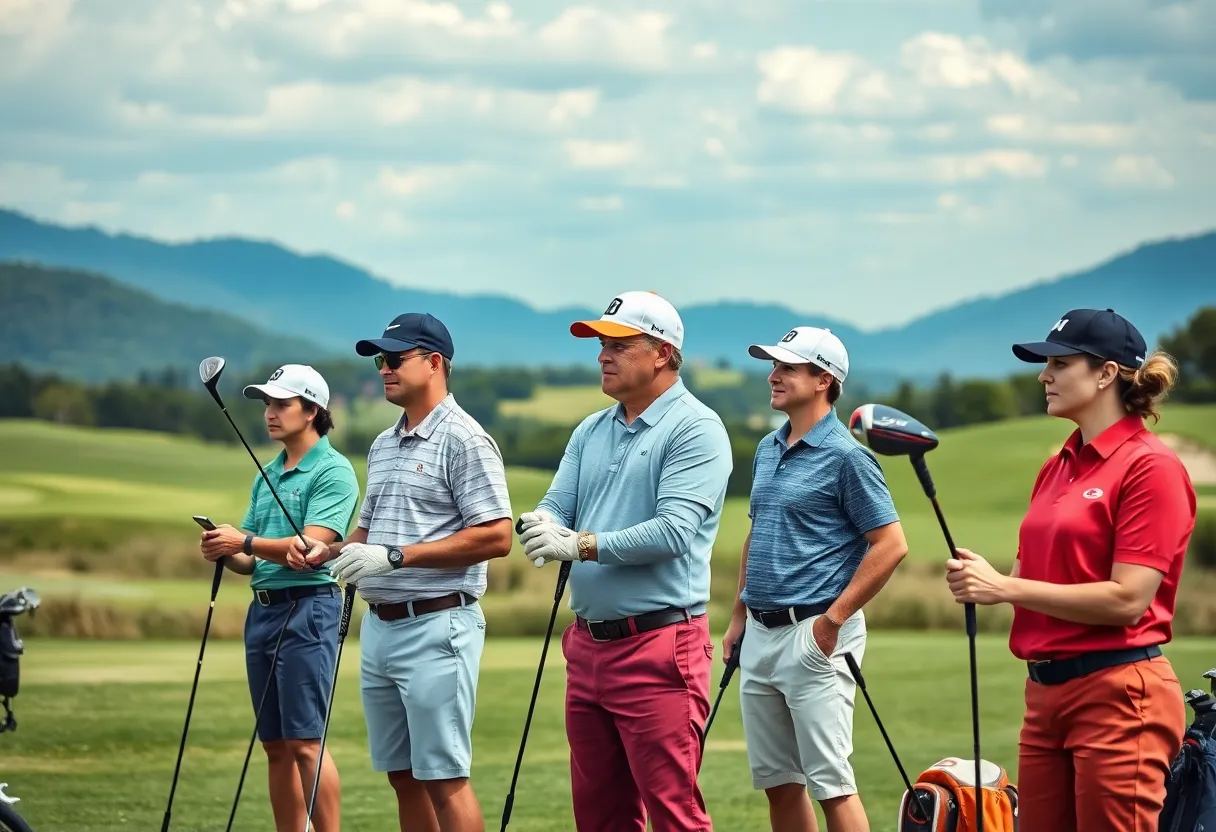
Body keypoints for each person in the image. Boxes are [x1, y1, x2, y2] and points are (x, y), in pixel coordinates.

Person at [945, 308, 1197, 832]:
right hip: (1044, 693)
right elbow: (1029, 575)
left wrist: (1005, 586)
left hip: (1118, 692)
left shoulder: (1152, 467)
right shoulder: (1058, 463)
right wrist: (987, 579)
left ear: (1106, 373)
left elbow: (1129, 599)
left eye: (1060, 363)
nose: (1044, 375)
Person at [517, 290, 734, 832]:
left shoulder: (696, 429)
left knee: (673, 813)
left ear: (661, 352)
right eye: (600, 344)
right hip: (588, 646)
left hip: (660, 647)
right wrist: (541, 522)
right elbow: (558, 505)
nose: (602, 355)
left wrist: (581, 544)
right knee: (600, 816)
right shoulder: (591, 428)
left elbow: (675, 532)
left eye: (618, 343)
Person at [290, 312, 513, 832]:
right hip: (382, 625)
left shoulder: (465, 438)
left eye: (395, 358)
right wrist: (332, 553)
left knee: (444, 777)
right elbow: (368, 534)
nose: (383, 369)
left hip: (438, 625)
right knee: (404, 776)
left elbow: (497, 536)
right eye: (379, 360)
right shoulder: (384, 444)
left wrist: (395, 557)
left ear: (434, 363)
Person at [720, 326, 908, 832]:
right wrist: (738, 615)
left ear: (824, 379)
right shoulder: (767, 448)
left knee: (831, 784)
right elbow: (756, 536)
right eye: (773, 365)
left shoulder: (849, 457)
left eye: (787, 367)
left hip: (816, 633)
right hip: (759, 632)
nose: (773, 375)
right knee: (779, 783)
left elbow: (891, 544)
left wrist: (833, 621)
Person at [199, 363, 359, 832]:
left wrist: (242, 541)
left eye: (281, 404)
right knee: (275, 745)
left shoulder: (333, 471)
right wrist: (224, 549)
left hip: (309, 611)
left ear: (312, 411)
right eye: (267, 403)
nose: (269, 413)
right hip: (264, 610)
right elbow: (252, 561)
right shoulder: (268, 472)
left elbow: (308, 550)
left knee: (306, 742)